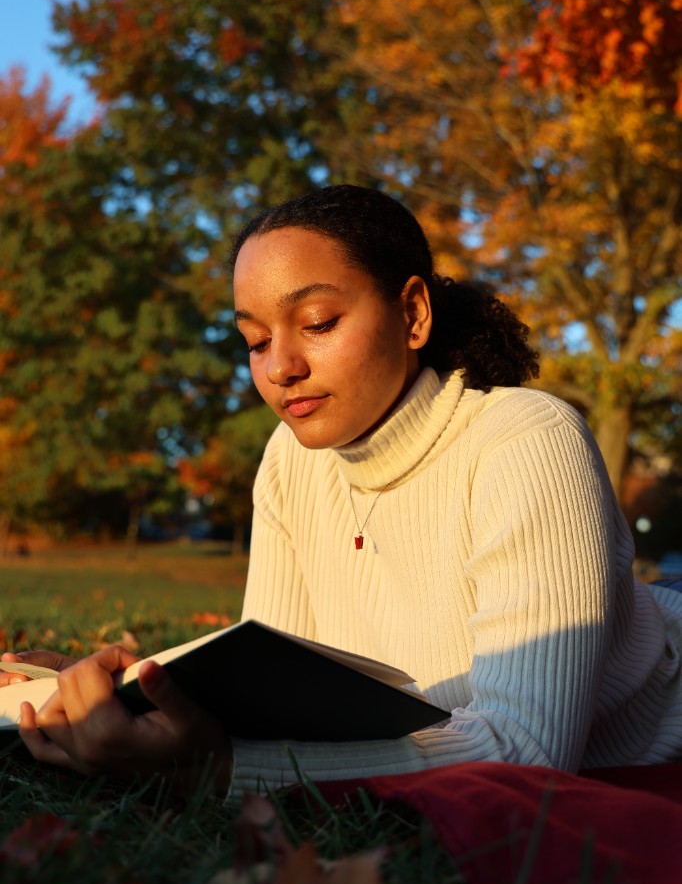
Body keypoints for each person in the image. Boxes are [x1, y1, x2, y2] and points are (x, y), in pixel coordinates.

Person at [3, 183, 682, 796]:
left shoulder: (527, 438)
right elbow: (273, 686)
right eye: (255, 340)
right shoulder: (290, 458)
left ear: (413, 313)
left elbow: (527, 755)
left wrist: (218, 770)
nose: (281, 368)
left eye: (319, 323)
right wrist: (127, 697)